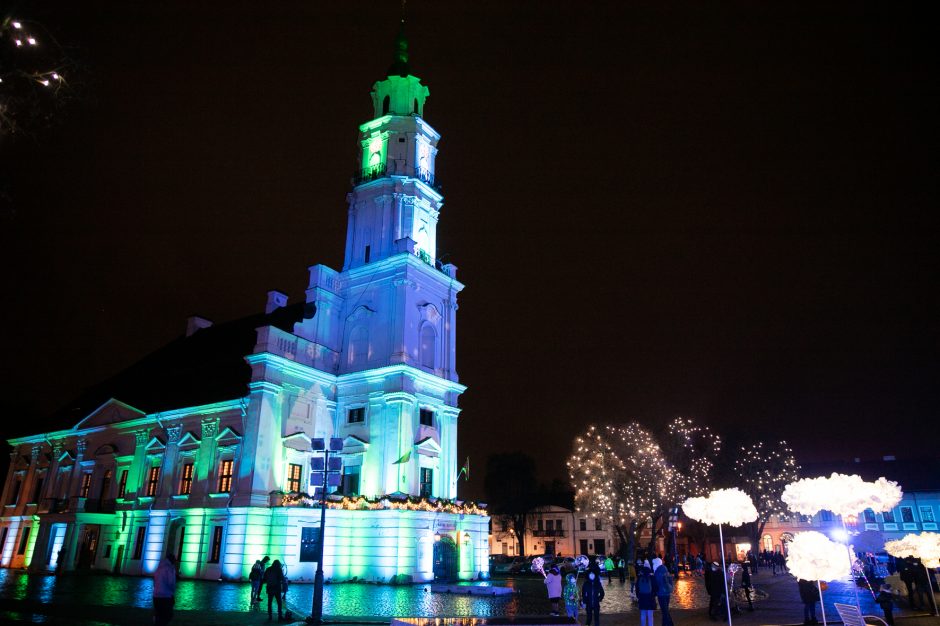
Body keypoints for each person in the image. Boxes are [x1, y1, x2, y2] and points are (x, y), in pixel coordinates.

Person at [153, 553, 178, 626]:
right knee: (168, 615)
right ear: (172, 560)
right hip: (166, 596)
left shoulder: (159, 567)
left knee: (159, 614)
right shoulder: (170, 568)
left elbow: (154, 581)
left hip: (156, 595)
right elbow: (171, 583)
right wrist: (172, 592)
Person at [653, 558, 674, 626]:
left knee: (665, 612)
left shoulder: (657, 572)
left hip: (661, 594)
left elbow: (656, 584)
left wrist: (655, 592)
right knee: (665, 611)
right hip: (667, 593)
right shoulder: (666, 570)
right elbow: (671, 581)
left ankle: (670, 624)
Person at [636, 561, 656, 626]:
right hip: (650, 598)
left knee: (643, 614)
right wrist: (653, 595)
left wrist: (638, 596)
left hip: (642, 597)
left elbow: (637, 588)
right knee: (650, 615)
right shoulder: (652, 576)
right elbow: (655, 587)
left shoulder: (639, 576)